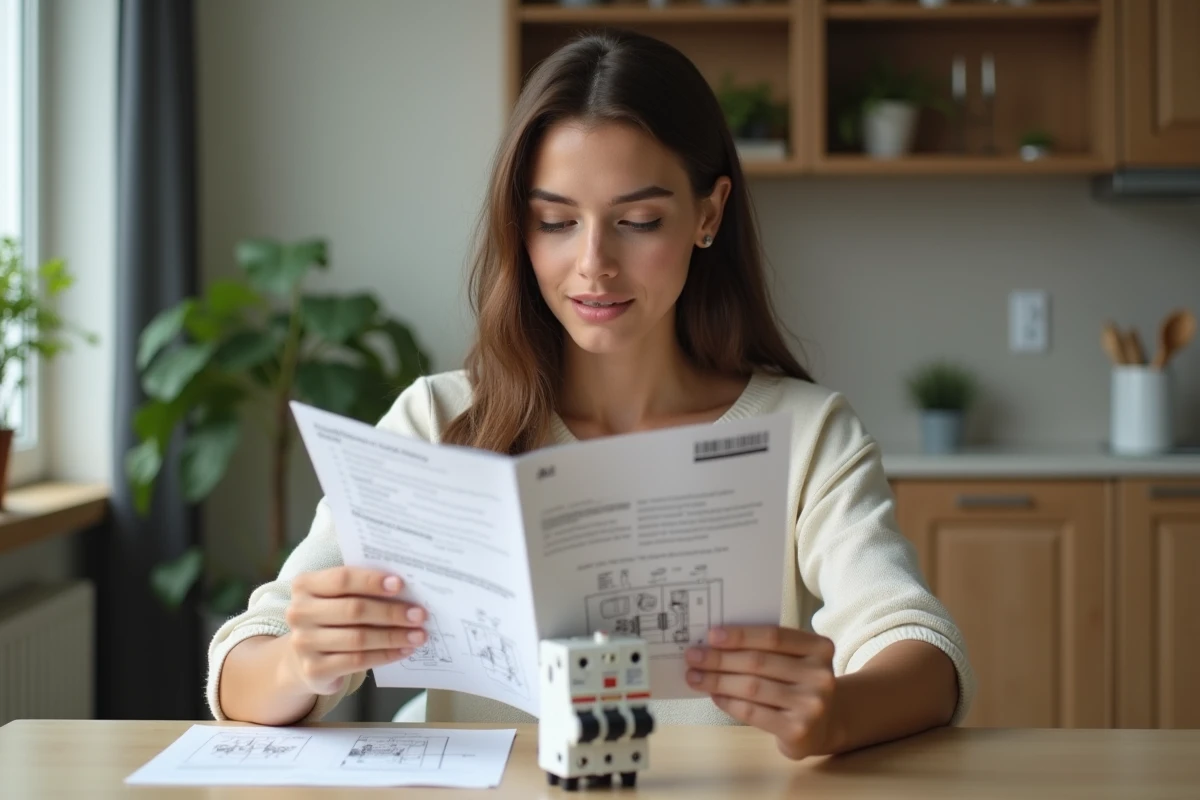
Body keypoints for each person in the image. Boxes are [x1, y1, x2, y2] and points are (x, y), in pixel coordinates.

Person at [208, 29, 974, 761]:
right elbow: (244, 664)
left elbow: (920, 653)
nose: (593, 264)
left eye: (638, 221)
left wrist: (838, 712)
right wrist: (301, 663)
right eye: (555, 222)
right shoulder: (437, 422)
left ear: (709, 214)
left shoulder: (805, 434)